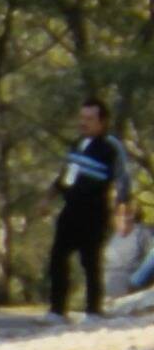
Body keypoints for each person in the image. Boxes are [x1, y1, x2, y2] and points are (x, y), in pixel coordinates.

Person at [47, 98, 133, 321]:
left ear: (102, 122)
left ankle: (93, 310)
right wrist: (49, 197)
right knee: (58, 258)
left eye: (89, 119)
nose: (83, 123)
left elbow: (123, 179)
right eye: (82, 118)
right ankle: (57, 310)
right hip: (70, 211)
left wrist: (122, 212)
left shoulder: (111, 147)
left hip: (94, 212)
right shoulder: (77, 144)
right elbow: (66, 176)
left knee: (91, 261)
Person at [104, 200, 154, 300]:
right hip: (127, 283)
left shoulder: (113, 236)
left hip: (112, 284)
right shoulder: (140, 232)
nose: (124, 218)